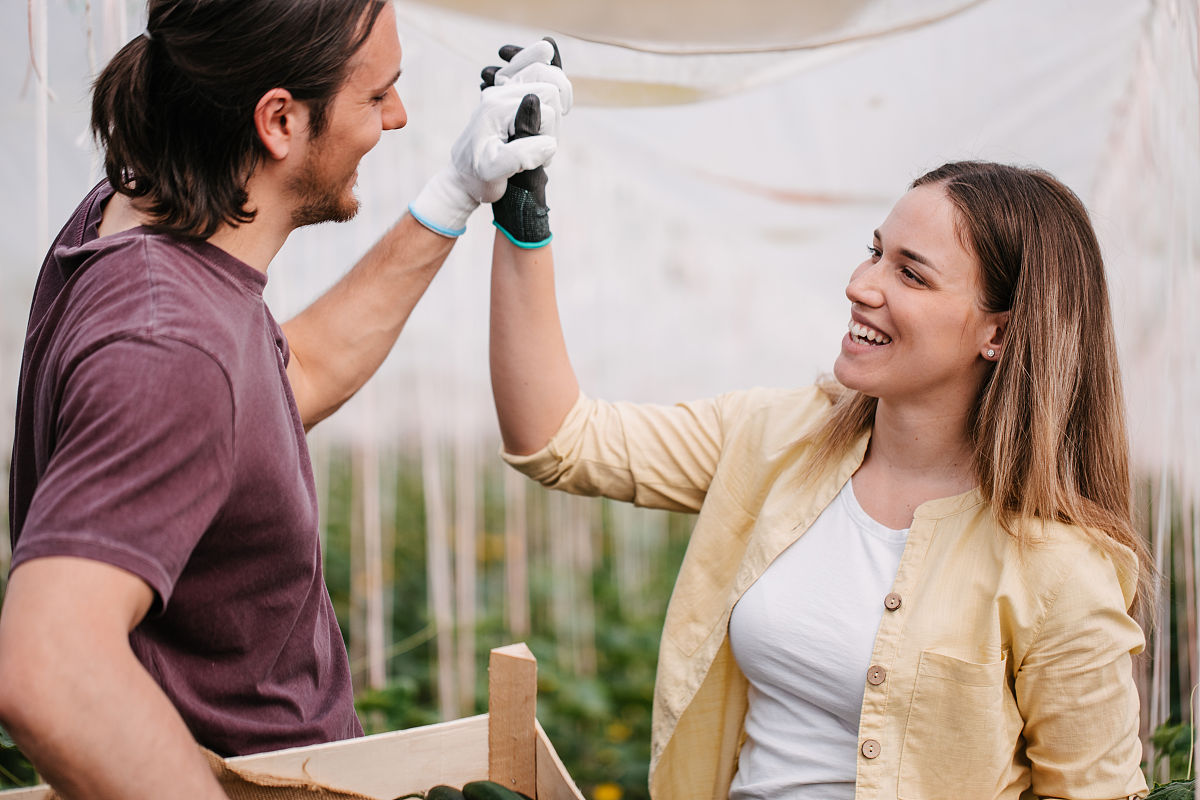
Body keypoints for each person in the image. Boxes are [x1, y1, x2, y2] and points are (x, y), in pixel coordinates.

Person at [0, 1, 570, 798]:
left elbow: (285, 377)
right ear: (279, 120)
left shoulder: (131, 229)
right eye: (376, 97)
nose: (397, 116)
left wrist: (456, 192)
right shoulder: (172, 345)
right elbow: (51, 668)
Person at [488, 160, 1150, 798]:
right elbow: (559, 440)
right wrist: (523, 215)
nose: (862, 285)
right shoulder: (778, 440)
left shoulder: (1060, 571)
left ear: (999, 333)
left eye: (911, 275)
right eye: (875, 252)